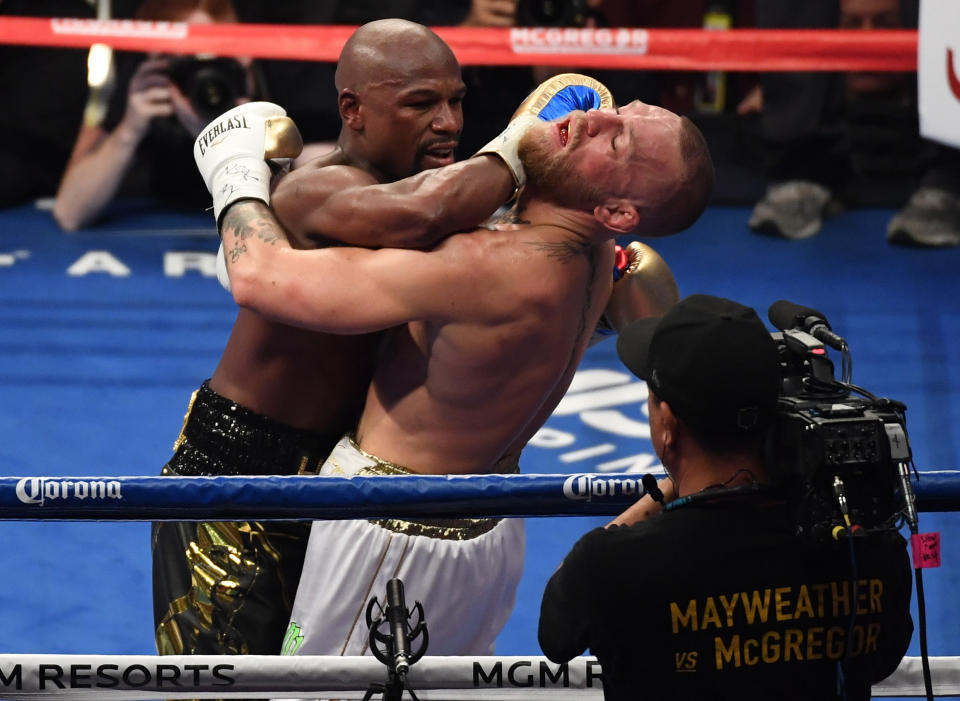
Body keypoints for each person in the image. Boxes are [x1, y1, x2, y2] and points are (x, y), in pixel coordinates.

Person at [202, 96, 713, 658]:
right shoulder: (595, 257)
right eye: (621, 109)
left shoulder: (489, 266)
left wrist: (234, 169)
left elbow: (260, 277)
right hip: (491, 526)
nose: (594, 117)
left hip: (393, 535)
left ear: (617, 212)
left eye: (616, 142)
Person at [151, 19, 521, 658]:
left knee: (324, 688)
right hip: (239, 477)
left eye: (456, 100)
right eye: (420, 103)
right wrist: (527, 146)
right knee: (223, 692)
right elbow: (418, 212)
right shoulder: (323, 188)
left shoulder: (446, 208)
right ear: (354, 109)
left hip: (340, 480)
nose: (449, 123)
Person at [538, 294, 914, 701]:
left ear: (668, 424)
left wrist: (665, 492)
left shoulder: (613, 563)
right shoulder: (867, 546)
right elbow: (882, 660)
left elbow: (557, 632)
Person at [51, 0, 264, 230]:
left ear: (243, 55)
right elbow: (69, 213)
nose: (203, 77)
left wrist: (228, 139)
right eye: (186, 61)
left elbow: (289, 214)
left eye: (212, 59)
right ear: (156, 59)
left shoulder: (265, 88)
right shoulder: (149, 85)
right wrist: (129, 130)